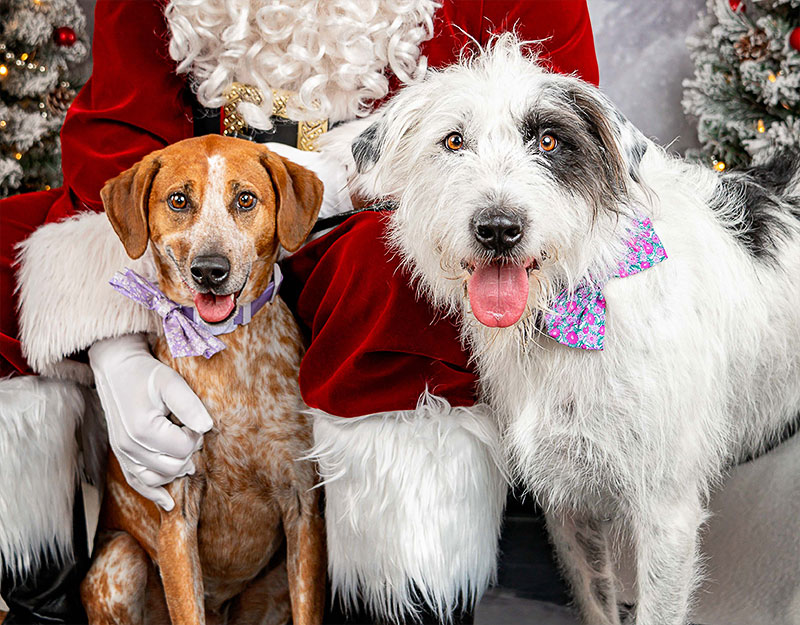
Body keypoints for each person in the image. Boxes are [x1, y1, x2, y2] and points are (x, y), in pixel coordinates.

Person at [0, 2, 600, 622]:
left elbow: (561, 124)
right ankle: (44, 594)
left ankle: (388, 600)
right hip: (199, 220)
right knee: (1, 244)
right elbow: (119, 135)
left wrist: (339, 177)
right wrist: (115, 344)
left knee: (388, 279)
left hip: (385, 208)